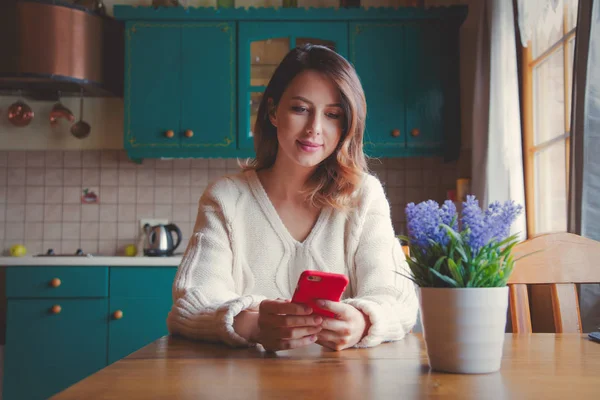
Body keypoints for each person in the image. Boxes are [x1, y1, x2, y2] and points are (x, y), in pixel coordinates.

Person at [167, 44, 418, 352]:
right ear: (273, 111)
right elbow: (191, 304)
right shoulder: (226, 198)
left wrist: (362, 322)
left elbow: (399, 301)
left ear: (347, 124)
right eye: (300, 109)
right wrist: (255, 325)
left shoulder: (363, 196)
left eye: (332, 114)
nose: (314, 128)